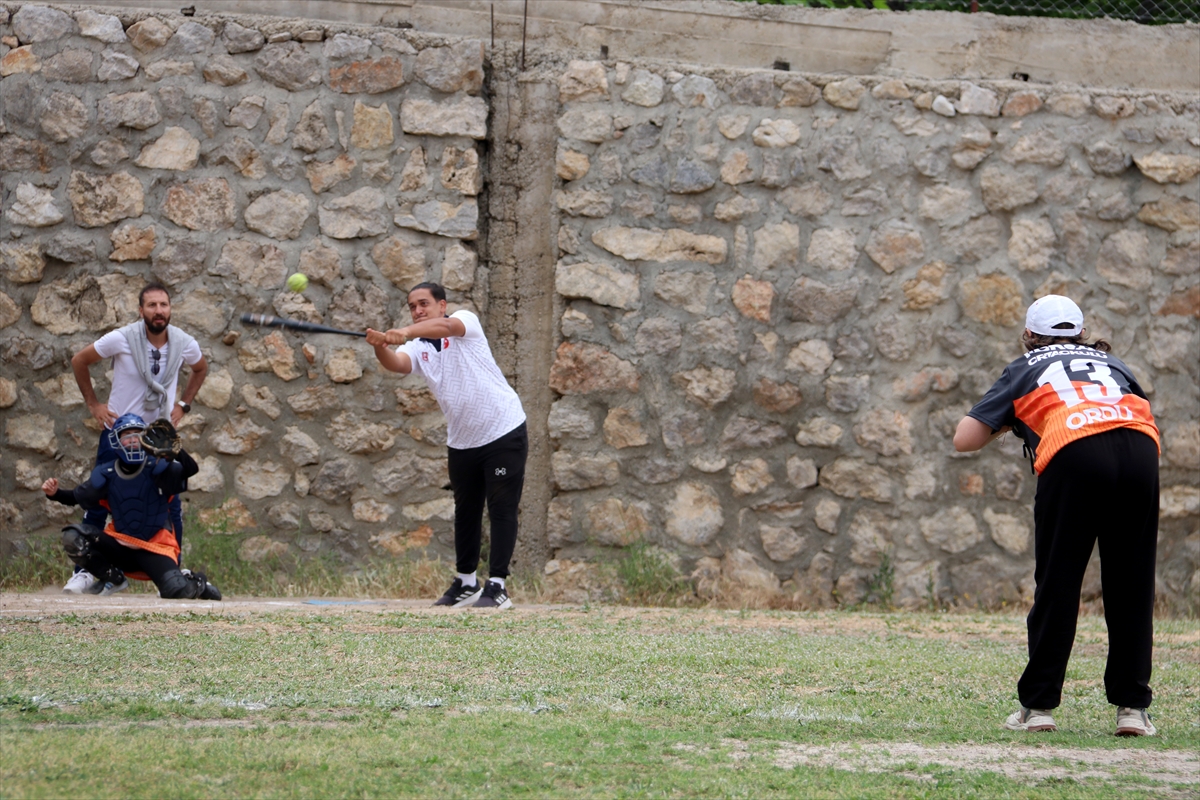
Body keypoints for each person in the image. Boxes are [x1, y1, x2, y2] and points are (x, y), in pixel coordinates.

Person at [954, 295, 1160, 737]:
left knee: (1059, 583)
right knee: (1131, 583)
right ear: (1082, 335)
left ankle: (1039, 706)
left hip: (1075, 450)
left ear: (1028, 336)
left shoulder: (1024, 366)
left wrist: (1010, 422)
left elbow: (965, 439)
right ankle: (1132, 708)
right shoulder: (1115, 363)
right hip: (1140, 447)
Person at [366, 282, 527, 610]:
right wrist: (380, 345)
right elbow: (396, 364)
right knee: (465, 511)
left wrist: (406, 330)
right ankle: (466, 582)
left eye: (424, 303)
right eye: (412, 306)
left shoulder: (464, 322)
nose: (418, 310)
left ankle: (497, 586)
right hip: (462, 440)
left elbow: (443, 327)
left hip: (503, 429)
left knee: (501, 507)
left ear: (442, 305)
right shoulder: (419, 347)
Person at [64, 282, 208, 595]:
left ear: (170, 309)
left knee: (170, 506)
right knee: (99, 501)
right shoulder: (122, 338)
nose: (159, 311)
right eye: (152, 305)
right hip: (118, 435)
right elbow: (80, 360)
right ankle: (87, 572)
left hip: (157, 440)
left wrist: (183, 405)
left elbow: (200, 368)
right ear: (140, 310)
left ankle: (174, 567)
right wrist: (94, 404)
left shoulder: (183, 343)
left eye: (164, 305)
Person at [43, 413, 221, 601]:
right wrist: (55, 493)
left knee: (176, 591)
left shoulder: (159, 467)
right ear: (117, 441)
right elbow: (77, 497)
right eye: (127, 436)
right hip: (120, 546)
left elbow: (190, 470)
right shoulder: (107, 473)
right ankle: (112, 578)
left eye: (137, 435)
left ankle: (196, 581)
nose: (133, 441)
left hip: (154, 548)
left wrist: (177, 451)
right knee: (73, 537)